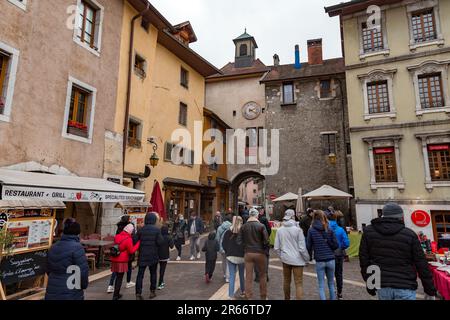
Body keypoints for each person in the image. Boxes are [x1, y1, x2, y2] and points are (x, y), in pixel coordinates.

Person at [359, 203, 437, 300]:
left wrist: (370, 283)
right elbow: (421, 264)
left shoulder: (368, 232)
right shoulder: (410, 234)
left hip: (383, 284)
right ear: (401, 217)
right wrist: (429, 289)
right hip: (405, 284)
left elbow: (364, 260)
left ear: (383, 215)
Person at [45, 219, 89, 300]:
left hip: (52, 288)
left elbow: (48, 268)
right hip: (71, 289)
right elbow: (82, 271)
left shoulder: (53, 247)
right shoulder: (77, 248)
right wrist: (83, 285)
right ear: (78, 233)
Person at [274, 210, 310, 300]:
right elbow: (302, 248)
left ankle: (287, 298)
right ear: (293, 217)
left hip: (286, 259)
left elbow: (276, 248)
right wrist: (307, 259)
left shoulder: (280, 230)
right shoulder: (298, 230)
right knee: (298, 283)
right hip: (298, 260)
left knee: (286, 281)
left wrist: (281, 256)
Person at [237, 208, 269, 300]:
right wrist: (263, 249)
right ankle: (263, 297)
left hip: (248, 253)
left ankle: (248, 296)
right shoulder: (261, 226)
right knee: (263, 275)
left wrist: (246, 246)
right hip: (260, 253)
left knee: (248, 276)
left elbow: (238, 241)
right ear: (257, 215)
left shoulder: (243, 226)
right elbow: (266, 241)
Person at [307, 210, 339, 300]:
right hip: (330, 259)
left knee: (321, 285)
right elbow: (336, 245)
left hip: (319, 259)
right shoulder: (329, 229)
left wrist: (311, 254)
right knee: (331, 283)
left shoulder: (311, 230)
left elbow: (308, 246)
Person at [135, 212, 164, 300]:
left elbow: (135, 240)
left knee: (140, 275)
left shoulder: (141, 230)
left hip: (142, 255)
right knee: (153, 274)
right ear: (154, 220)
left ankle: (138, 293)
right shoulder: (157, 230)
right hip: (153, 255)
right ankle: (152, 291)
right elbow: (160, 242)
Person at [110, 224, 141, 300]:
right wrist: (138, 243)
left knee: (117, 276)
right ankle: (115, 296)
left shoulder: (117, 236)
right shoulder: (128, 239)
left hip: (114, 259)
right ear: (130, 231)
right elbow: (131, 251)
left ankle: (116, 293)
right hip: (122, 261)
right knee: (119, 278)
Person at [107, 215, 137, 293]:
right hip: (126, 252)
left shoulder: (119, 227)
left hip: (117, 252)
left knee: (115, 270)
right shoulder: (130, 227)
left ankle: (110, 285)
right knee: (128, 267)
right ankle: (128, 282)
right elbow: (133, 238)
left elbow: (116, 238)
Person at [222, 216, 246, 300]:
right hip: (242, 256)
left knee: (232, 275)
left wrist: (228, 251)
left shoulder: (228, 232)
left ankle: (230, 295)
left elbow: (223, 244)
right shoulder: (243, 232)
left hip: (230, 256)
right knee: (241, 275)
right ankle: (243, 291)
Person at [328, 212, 350, 300]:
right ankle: (339, 293)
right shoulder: (340, 229)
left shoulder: (326, 229)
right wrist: (341, 248)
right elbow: (347, 243)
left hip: (329, 254)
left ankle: (332, 292)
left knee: (330, 275)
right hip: (339, 254)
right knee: (339, 274)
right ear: (336, 219)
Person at [255, 209, 271, 283]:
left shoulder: (254, 221)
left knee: (257, 260)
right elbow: (269, 230)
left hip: (256, 243)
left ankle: (257, 276)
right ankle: (265, 275)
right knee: (265, 260)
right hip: (264, 243)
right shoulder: (264, 219)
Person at [216, 214, 232, 283]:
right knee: (229, 262)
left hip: (222, 247)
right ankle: (228, 277)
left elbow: (217, 238)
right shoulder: (232, 227)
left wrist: (218, 247)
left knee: (224, 261)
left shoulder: (220, 227)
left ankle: (225, 274)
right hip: (230, 247)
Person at [158, 225, 174, 290]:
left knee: (158, 270)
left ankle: (161, 281)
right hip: (165, 256)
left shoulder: (159, 236)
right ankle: (160, 283)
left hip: (157, 255)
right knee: (162, 270)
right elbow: (172, 246)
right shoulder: (168, 237)